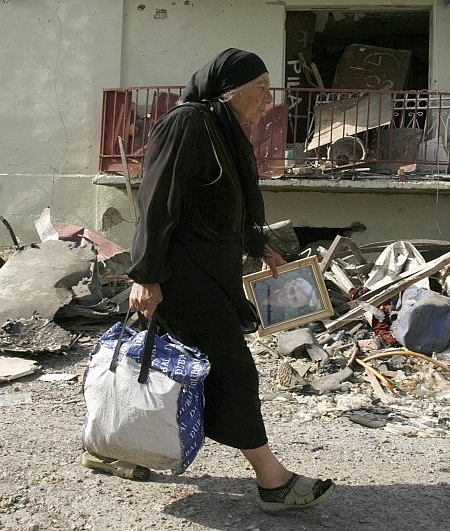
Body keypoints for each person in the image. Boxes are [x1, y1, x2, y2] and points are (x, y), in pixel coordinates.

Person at [86, 48, 335, 513]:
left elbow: (223, 200)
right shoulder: (188, 124)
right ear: (230, 89)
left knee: (155, 364)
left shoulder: (221, 130)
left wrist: (254, 242)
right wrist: (147, 275)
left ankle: (103, 446)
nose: (267, 100)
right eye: (260, 90)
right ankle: (273, 481)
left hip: (209, 272)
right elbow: (158, 201)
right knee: (232, 369)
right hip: (181, 276)